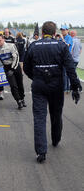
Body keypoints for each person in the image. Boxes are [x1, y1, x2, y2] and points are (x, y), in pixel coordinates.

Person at [23, 21, 82, 163]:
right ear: (54, 31)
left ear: (43, 32)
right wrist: (75, 86)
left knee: (39, 118)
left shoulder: (33, 45)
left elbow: (26, 67)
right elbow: (70, 69)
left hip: (39, 86)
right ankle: (56, 139)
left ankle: (41, 152)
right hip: (56, 86)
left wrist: (36, 77)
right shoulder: (61, 45)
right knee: (56, 115)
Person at [0, 33, 26, 109]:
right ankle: (18, 101)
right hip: (7, 68)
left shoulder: (11, 46)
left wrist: (13, 69)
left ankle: (22, 98)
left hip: (15, 66)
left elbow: (16, 57)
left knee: (20, 84)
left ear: (3, 39)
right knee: (13, 86)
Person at [60, 25, 73, 94]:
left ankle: (66, 89)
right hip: (61, 58)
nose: (62, 31)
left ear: (67, 30)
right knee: (64, 74)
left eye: (64, 30)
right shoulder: (61, 38)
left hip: (67, 58)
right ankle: (67, 88)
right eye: (62, 30)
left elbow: (66, 46)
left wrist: (62, 39)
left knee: (65, 74)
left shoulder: (69, 37)